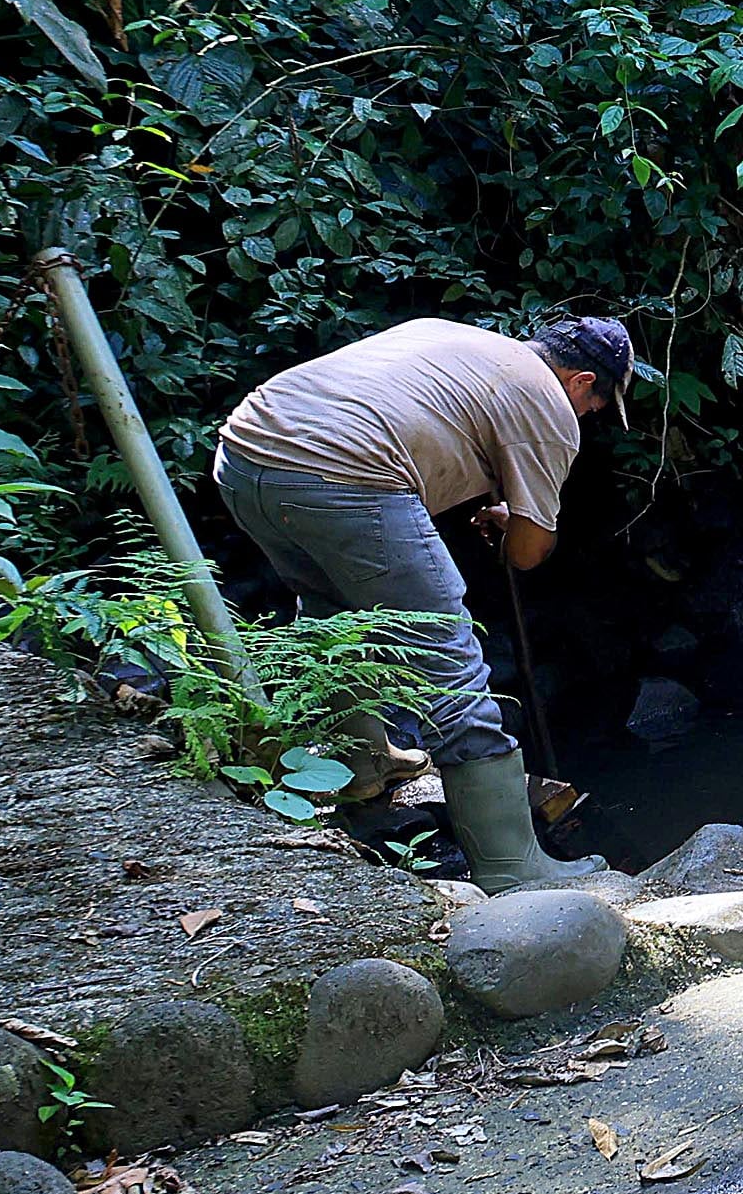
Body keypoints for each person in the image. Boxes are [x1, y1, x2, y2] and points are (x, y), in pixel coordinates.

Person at [211, 315, 635, 893]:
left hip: (245, 455)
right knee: (446, 653)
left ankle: (361, 765)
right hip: (345, 472)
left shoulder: (456, 339)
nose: (588, 416)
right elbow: (529, 551)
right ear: (581, 381)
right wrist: (517, 524)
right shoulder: (547, 403)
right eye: (596, 405)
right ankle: (512, 868)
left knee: (333, 615)